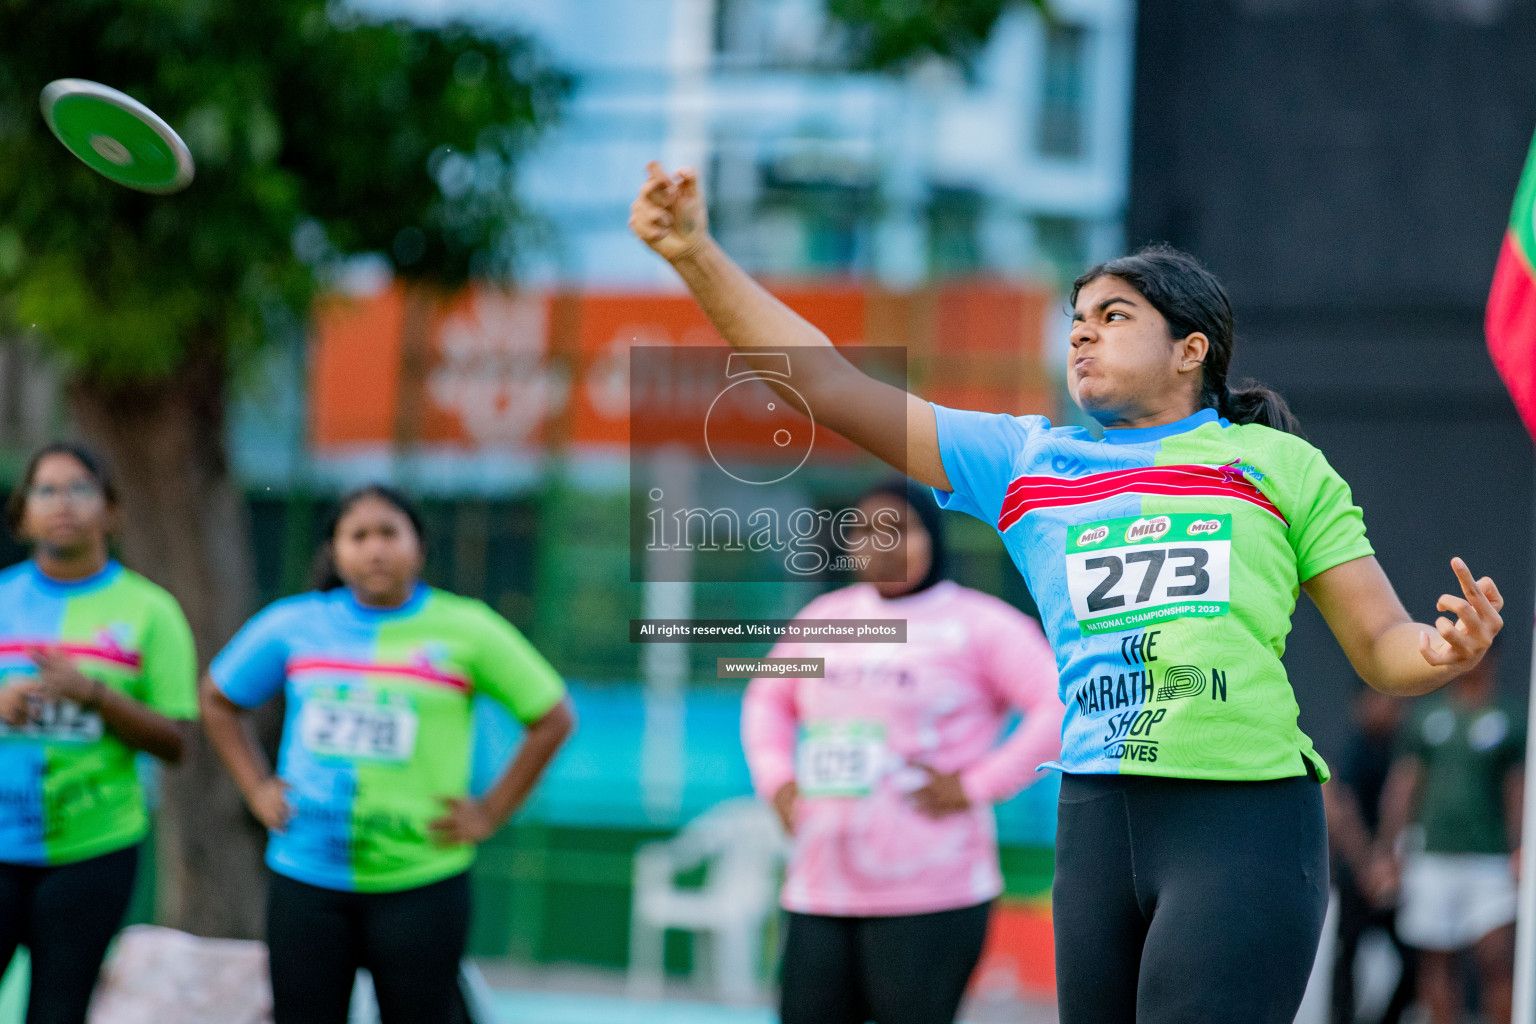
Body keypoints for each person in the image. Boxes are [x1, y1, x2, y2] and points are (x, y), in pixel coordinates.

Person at [628, 163, 1504, 1024]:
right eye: (1075, 319)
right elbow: (823, 385)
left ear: (1190, 349)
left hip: (1243, 821)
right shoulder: (1027, 462)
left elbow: (1382, 649)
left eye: (1113, 317)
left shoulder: (1277, 466)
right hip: (1094, 817)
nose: (1081, 335)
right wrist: (695, 252)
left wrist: (1439, 652)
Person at [200, 485, 575, 1024]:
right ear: (334, 551)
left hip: (421, 882)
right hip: (307, 877)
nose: (375, 549)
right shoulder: (294, 624)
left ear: (418, 547)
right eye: (358, 536)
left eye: (389, 534)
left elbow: (552, 717)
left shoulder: (466, 628)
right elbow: (217, 699)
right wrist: (256, 787)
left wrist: (490, 811)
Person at [742, 478, 1063, 1024]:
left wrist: (976, 784)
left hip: (931, 892)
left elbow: (1058, 705)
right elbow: (766, 697)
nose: (881, 544)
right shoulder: (824, 619)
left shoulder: (978, 624)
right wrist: (776, 779)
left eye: (900, 529)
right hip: (821, 887)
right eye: (865, 531)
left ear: (933, 538)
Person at [0, 442, 196, 1024]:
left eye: (81, 488)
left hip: (94, 847)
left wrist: (96, 696)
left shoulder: (150, 611)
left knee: (58, 1010)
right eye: (46, 490)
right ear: (23, 513)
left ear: (110, 510)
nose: (64, 503)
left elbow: (178, 742)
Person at [1375, 642, 1522, 1024]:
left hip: (1490, 857)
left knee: (1497, 958)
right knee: (1437, 962)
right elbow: (1404, 784)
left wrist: (1522, 848)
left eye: (1481, 651)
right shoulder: (1427, 715)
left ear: (1495, 658)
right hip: (1431, 855)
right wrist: (1389, 847)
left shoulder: (1510, 717)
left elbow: (1517, 789)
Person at [1324, 687, 1416, 1024]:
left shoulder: (1405, 752)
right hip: (1355, 873)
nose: (1389, 709)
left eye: (1395, 702)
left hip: (1397, 872)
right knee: (1346, 956)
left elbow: (1403, 805)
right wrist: (1366, 865)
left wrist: (1389, 861)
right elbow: (1341, 809)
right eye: (1380, 701)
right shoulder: (1350, 752)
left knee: (1413, 959)